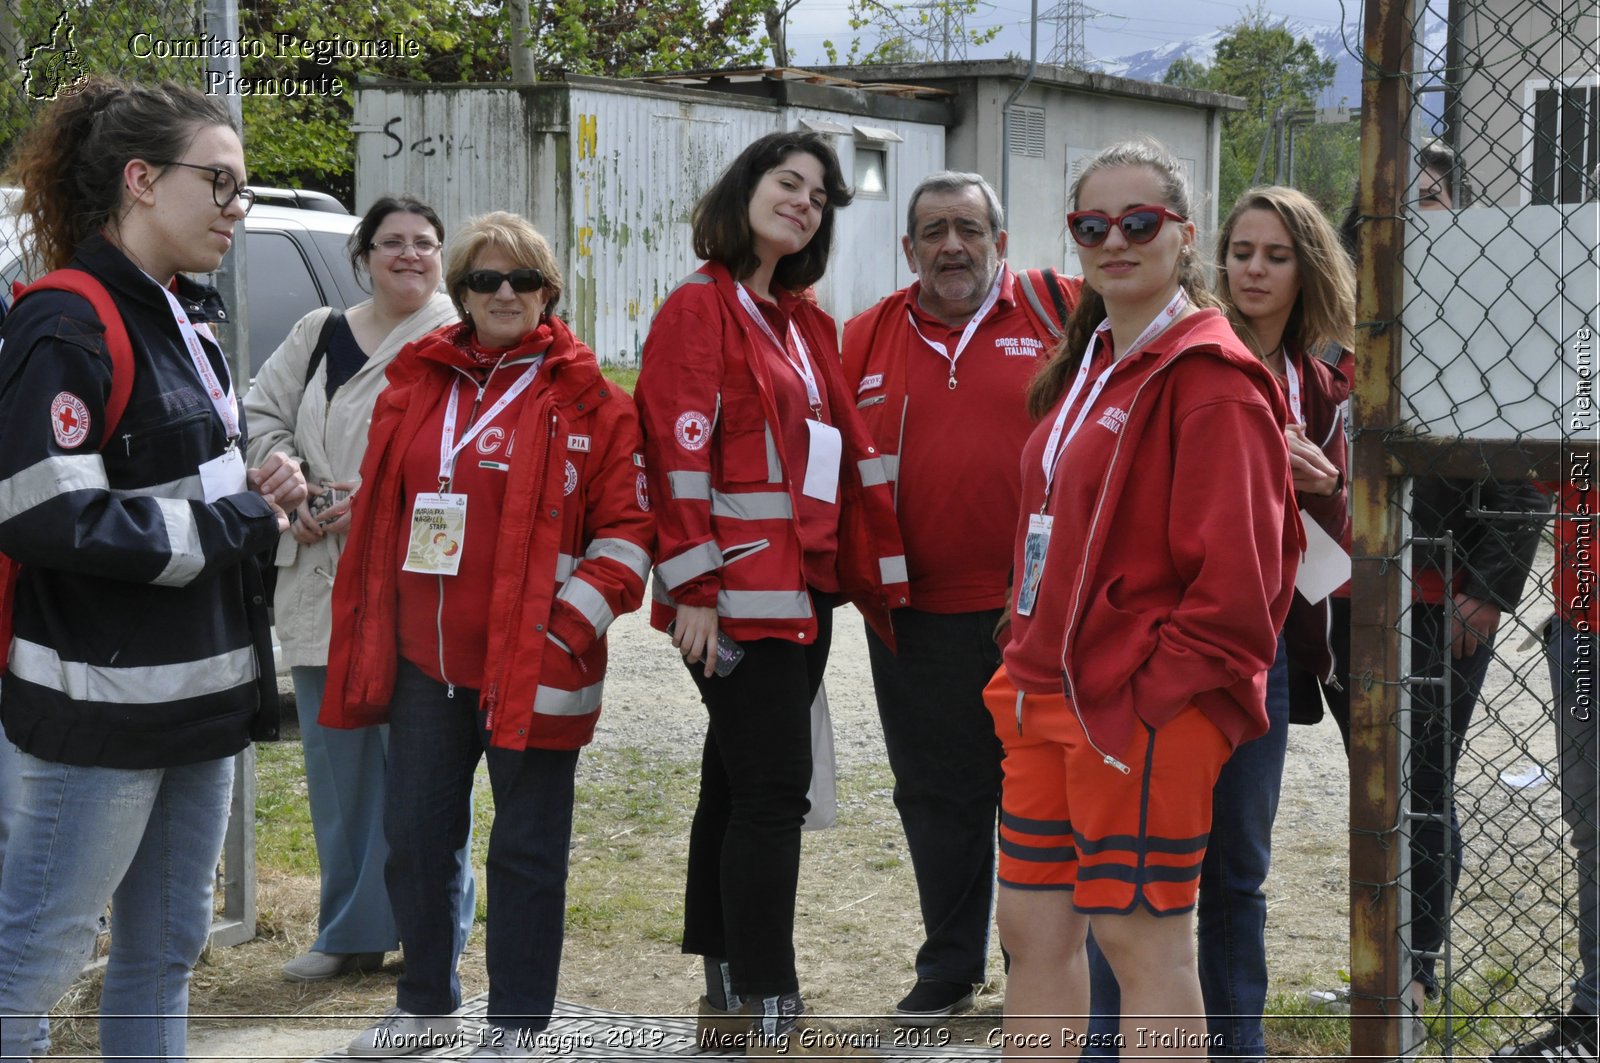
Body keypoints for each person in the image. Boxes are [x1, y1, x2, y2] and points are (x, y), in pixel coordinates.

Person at [0, 77, 305, 1058]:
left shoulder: (185, 316)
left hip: (201, 706)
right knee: (31, 968)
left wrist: (257, 486)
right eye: (219, 183)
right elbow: (46, 512)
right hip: (96, 716)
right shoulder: (65, 320)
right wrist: (231, 523)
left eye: (242, 188)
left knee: (166, 952)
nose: (236, 208)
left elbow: (169, 476)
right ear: (140, 180)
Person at [983, 138, 1298, 1058]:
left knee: (1142, 941)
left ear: (1183, 235)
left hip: (1133, 707)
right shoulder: (1091, 360)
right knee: (1033, 936)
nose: (1113, 240)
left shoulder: (1210, 377)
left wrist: (1150, 697)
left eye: (1138, 222)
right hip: (1044, 693)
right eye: (1091, 224)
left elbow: (1241, 590)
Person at [324, 211, 652, 1057]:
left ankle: (517, 1025)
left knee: (527, 854)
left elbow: (626, 539)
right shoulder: (419, 379)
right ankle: (426, 1004)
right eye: (483, 280)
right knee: (417, 843)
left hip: (537, 664)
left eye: (522, 280)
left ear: (548, 292)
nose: (503, 293)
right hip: (424, 665)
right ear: (459, 293)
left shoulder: (595, 403)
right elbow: (387, 512)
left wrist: (561, 628)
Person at [634, 131, 908, 1056]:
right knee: (772, 790)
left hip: (803, 592)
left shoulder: (795, 319)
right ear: (744, 189)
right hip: (734, 596)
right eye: (787, 183)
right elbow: (679, 454)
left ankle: (722, 981)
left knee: (734, 780)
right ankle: (770, 995)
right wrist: (694, 588)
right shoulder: (698, 309)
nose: (805, 201)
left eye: (821, 194)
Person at [1084, 184, 1353, 1060]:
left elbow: (1341, 539)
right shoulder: (1184, 349)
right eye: (1242, 252)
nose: (1254, 271)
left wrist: (1325, 486)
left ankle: (1238, 1043)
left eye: (1277, 255)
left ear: (1306, 268)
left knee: (1237, 864)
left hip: (1262, 642)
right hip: (1162, 633)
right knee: (1126, 867)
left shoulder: (1323, 380)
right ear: (1215, 257)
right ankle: (1104, 1040)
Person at [841, 170, 1076, 1025]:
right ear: (908, 249)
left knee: (1044, 794)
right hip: (915, 614)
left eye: (970, 229)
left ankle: (1043, 970)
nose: (952, 246)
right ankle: (948, 966)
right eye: (934, 231)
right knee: (937, 794)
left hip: (1042, 614)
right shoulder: (863, 338)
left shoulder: (1062, 317)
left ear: (1000, 242)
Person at [243, 194, 475, 983]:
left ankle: (434, 929)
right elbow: (260, 413)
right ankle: (349, 931)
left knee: (422, 765)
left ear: (443, 254)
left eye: (425, 242)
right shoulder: (319, 334)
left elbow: (470, 457)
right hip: (319, 576)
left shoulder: (460, 339)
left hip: (413, 579)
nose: (409, 255)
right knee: (337, 765)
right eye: (391, 242)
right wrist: (289, 482)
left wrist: (377, 497)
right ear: (362, 254)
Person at [1398, 141, 1545, 1027]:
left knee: (1422, 780)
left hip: (1445, 594)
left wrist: (1489, 590)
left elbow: (1527, 474)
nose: (1418, 212)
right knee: (1381, 778)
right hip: (1359, 593)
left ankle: (1414, 967)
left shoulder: (1492, 322)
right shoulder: (1355, 319)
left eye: (1432, 197)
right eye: (1401, 200)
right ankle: (1387, 956)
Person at [1492, 476, 1597, 1060]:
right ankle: (1593, 1020)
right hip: (1585, 630)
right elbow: (1532, 471)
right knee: (1595, 831)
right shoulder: (1579, 383)